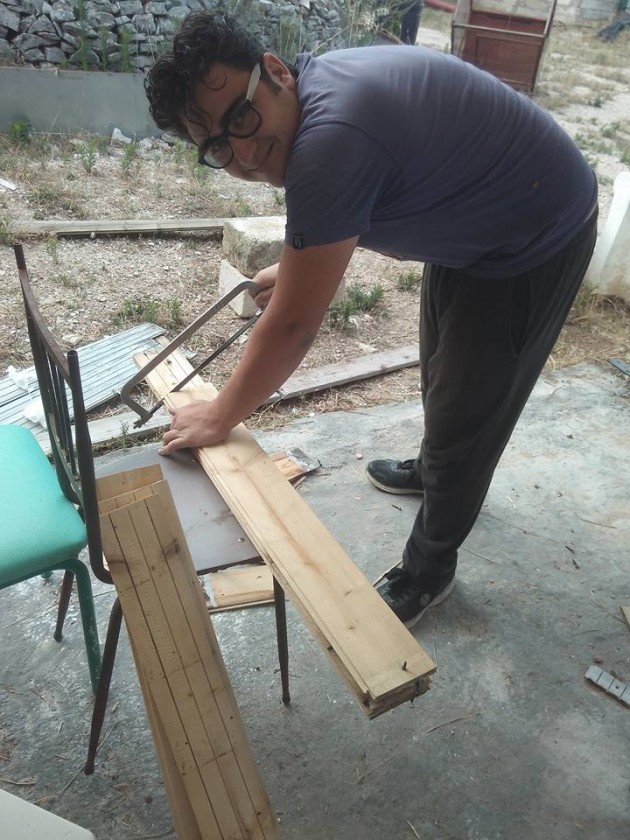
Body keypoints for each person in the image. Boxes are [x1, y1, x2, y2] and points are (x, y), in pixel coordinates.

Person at [145, 12, 598, 628]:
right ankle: (434, 469)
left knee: (470, 410)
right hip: (481, 220)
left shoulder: (330, 138)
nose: (244, 151)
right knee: (442, 374)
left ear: (276, 72)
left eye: (242, 117)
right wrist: (299, 263)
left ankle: (428, 570)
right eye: (218, 147)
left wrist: (220, 413)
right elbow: (364, 184)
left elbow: (292, 327)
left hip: (535, 233)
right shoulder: (318, 102)